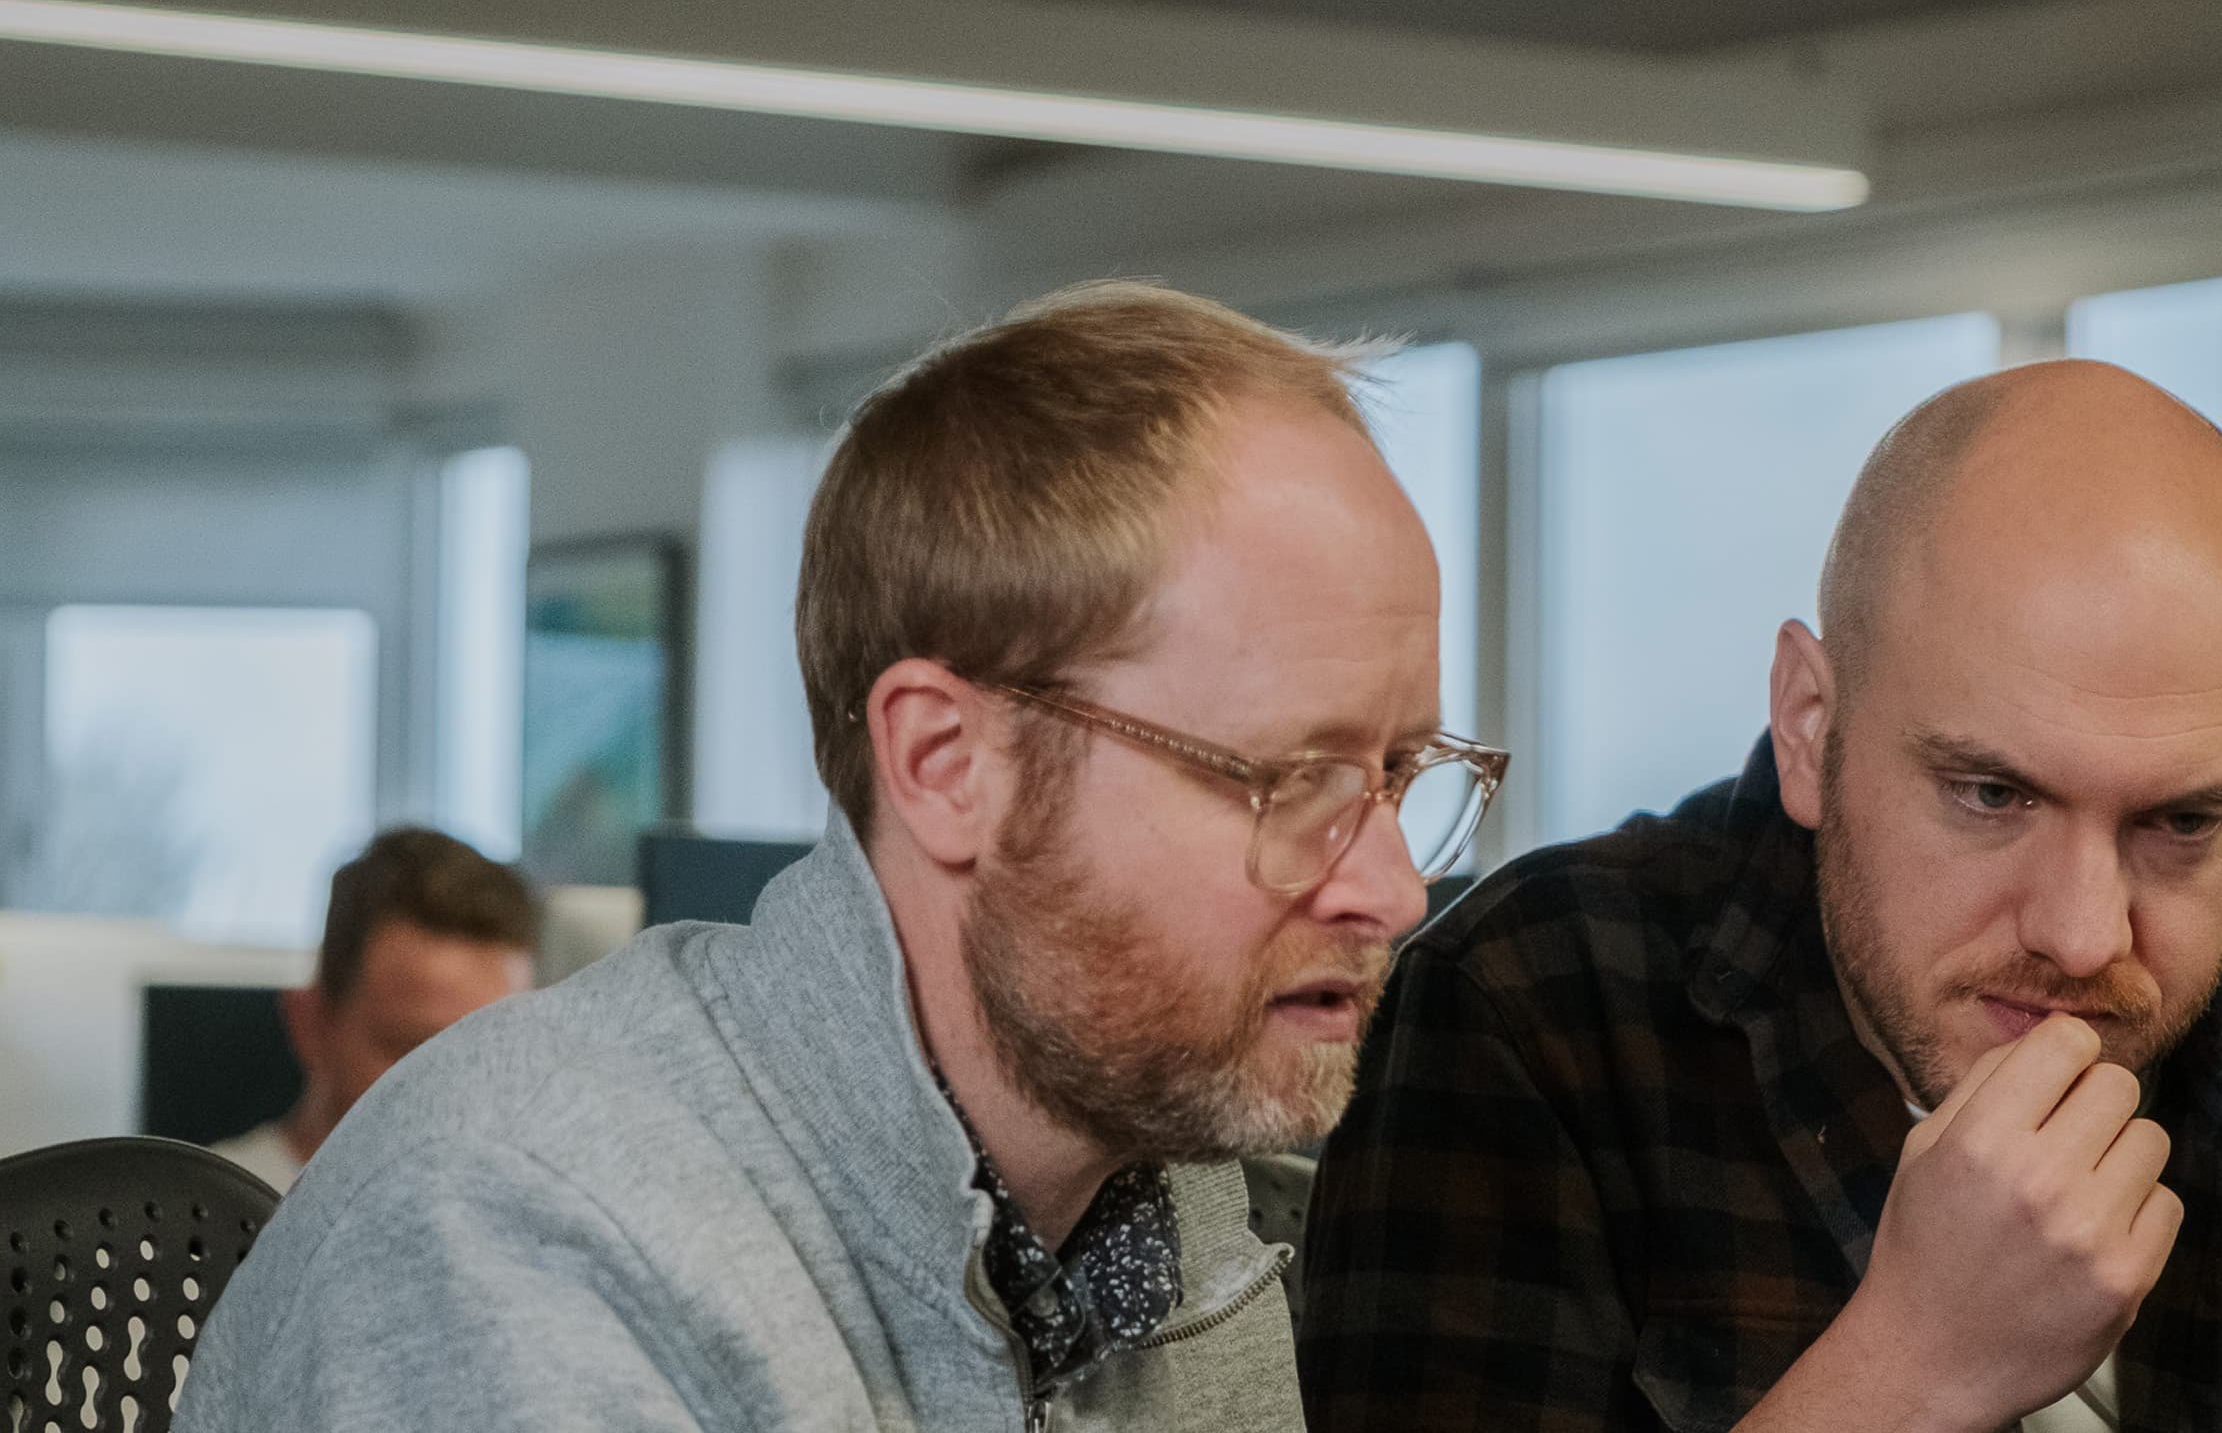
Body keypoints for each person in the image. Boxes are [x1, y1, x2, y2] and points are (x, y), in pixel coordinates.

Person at [178, 282, 1506, 1432]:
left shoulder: (1168, 1207)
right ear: (945, 765)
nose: (1390, 891)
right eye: (1289, 781)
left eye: (1398, 775)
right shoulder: (524, 1226)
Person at [1298, 361, 2222, 1433]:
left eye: (2180, 824)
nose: (2085, 938)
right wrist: (1914, 1367)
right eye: (1990, 795)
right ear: (1808, 727)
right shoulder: (1532, 1006)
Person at [210, 826, 537, 1193]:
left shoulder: (529, 1219)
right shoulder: (204, 1214)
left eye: (495, 1057)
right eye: (417, 1053)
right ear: (310, 1023)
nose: (463, 1093)